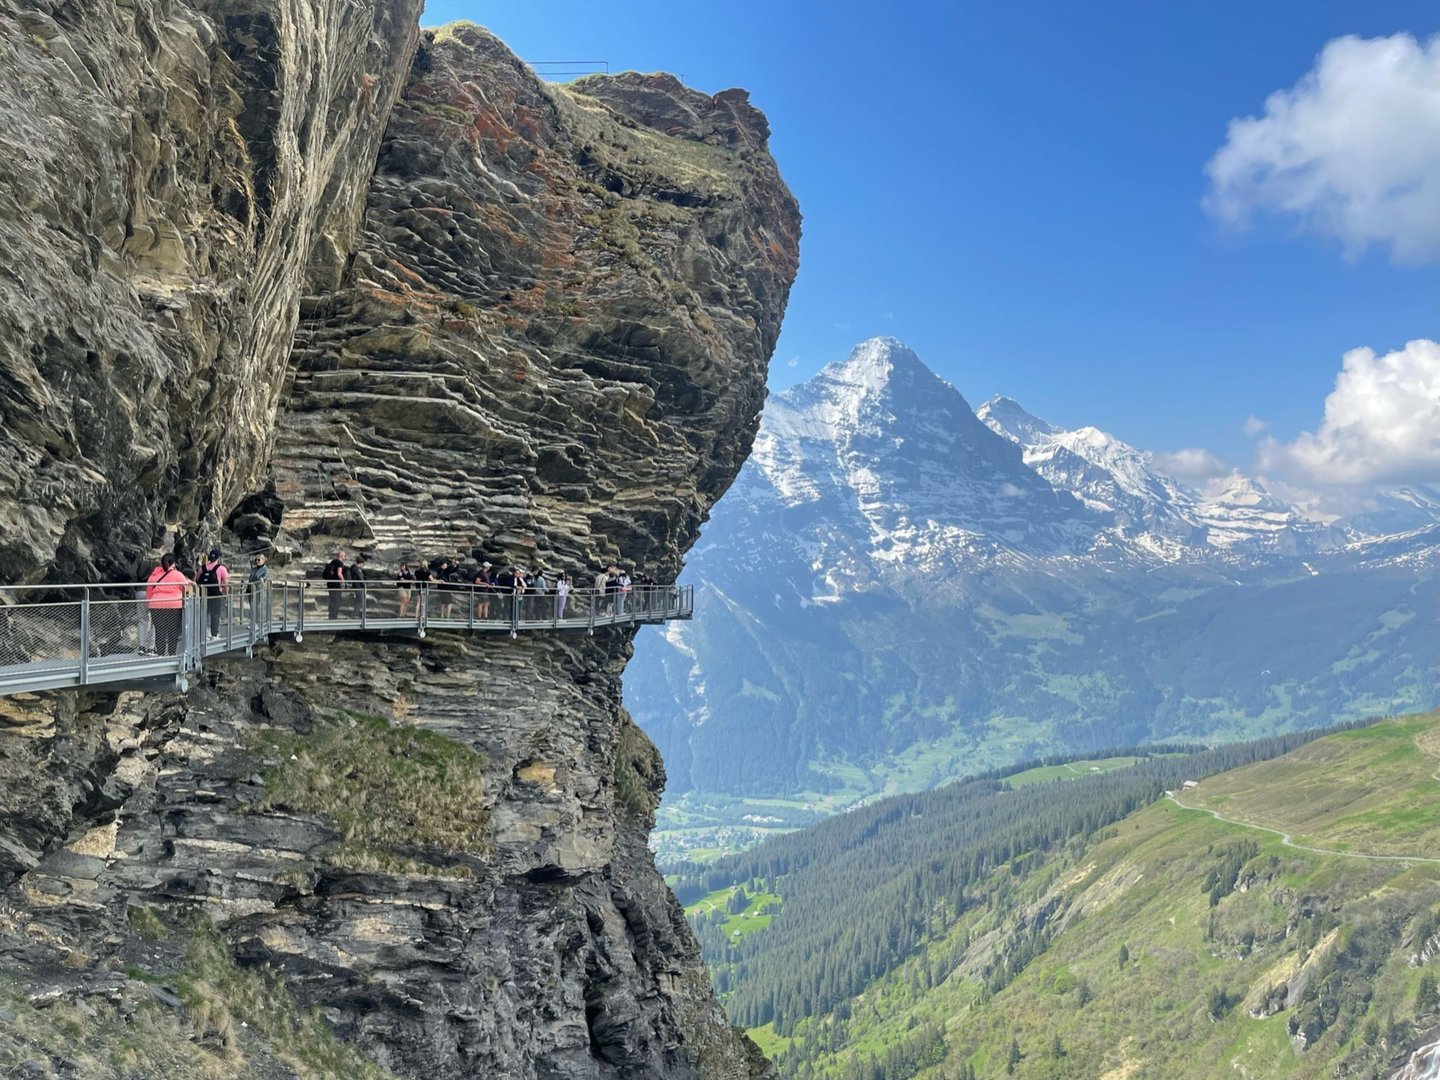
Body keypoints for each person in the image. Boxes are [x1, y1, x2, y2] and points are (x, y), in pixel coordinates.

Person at [145, 554, 191, 656]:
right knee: (172, 630)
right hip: (174, 605)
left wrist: (149, 603)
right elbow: (186, 588)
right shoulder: (178, 575)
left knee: (160, 630)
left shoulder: (155, 574)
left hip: (156, 605)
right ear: (173, 563)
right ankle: (172, 654)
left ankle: (160, 654)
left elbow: (149, 590)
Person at [197, 547, 229, 638]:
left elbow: (197, 579)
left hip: (204, 594)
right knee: (215, 615)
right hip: (216, 594)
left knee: (203, 614)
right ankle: (214, 634)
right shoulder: (221, 568)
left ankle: (203, 634)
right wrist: (226, 594)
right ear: (218, 558)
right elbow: (225, 583)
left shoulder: (202, 568)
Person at [323, 550, 347, 619]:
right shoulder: (340, 563)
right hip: (336, 584)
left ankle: (330, 616)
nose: (345, 557)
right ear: (342, 556)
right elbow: (339, 573)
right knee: (337, 600)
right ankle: (334, 616)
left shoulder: (333, 562)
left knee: (332, 600)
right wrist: (344, 581)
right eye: (345, 556)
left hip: (330, 584)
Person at [246, 553, 270, 624]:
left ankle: (256, 622)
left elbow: (266, 577)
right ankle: (253, 622)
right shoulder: (254, 569)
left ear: (263, 560)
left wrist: (263, 579)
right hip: (251, 589)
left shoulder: (265, 569)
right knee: (252, 606)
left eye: (259, 560)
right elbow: (250, 578)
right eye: (256, 560)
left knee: (256, 606)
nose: (257, 561)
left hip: (258, 590)